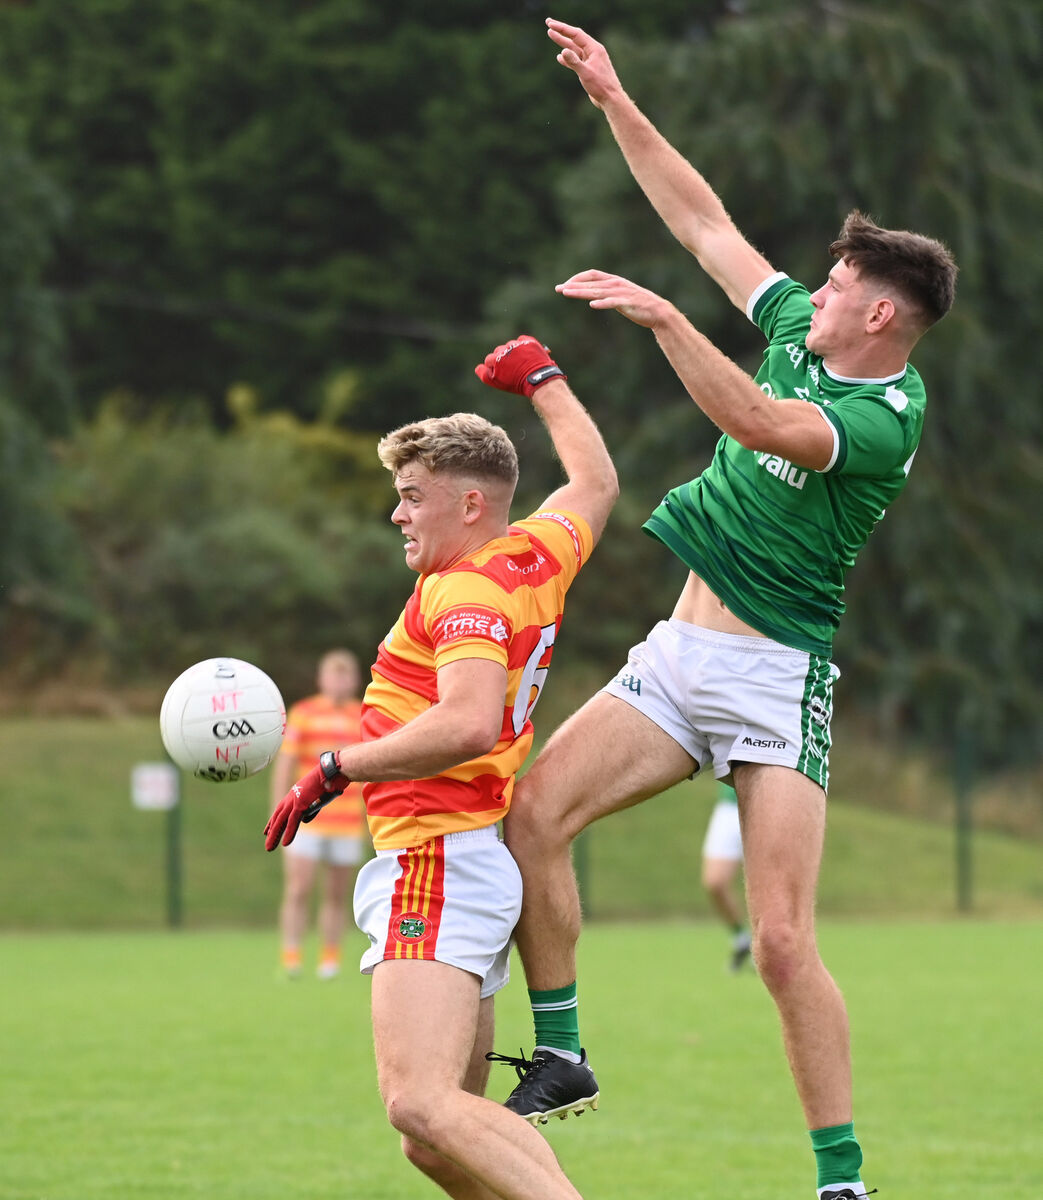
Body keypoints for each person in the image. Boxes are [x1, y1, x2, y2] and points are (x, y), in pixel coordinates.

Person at [486, 19, 957, 1200]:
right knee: (531, 814)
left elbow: (757, 425)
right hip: (676, 659)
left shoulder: (885, 419)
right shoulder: (801, 329)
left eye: (843, 278)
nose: (818, 283)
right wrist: (612, 98)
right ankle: (561, 1047)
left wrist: (662, 323)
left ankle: (839, 1183)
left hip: (773, 678)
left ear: (882, 316)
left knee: (783, 946)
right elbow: (701, 220)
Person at [264, 335, 618, 1200]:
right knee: (438, 1144)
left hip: (433, 856)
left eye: (411, 497)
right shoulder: (534, 553)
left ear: (468, 504)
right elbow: (596, 481)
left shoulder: (463, 592)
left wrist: (335, 765)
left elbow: (467, 720)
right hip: (464, 862)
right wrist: (542, 379)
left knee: (419, 1106)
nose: (397, 515)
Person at [270, 648, 367, 980]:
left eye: (345, 675)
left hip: (347, 821)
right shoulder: (304, 713)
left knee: (336, 893)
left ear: (354, 680)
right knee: (299, 888)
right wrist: (280, 810)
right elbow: (285, 765)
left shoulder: (363, 715)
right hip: (308, 821)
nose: (339, 682)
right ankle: (292, 955)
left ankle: (329, 958)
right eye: (333, 674)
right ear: (321, 678)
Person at [700, 781, 752, 972]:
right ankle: (742, 940)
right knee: (715, 882)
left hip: (768, 800)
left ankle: (767, 948)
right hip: (729, 807)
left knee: (764, 885)